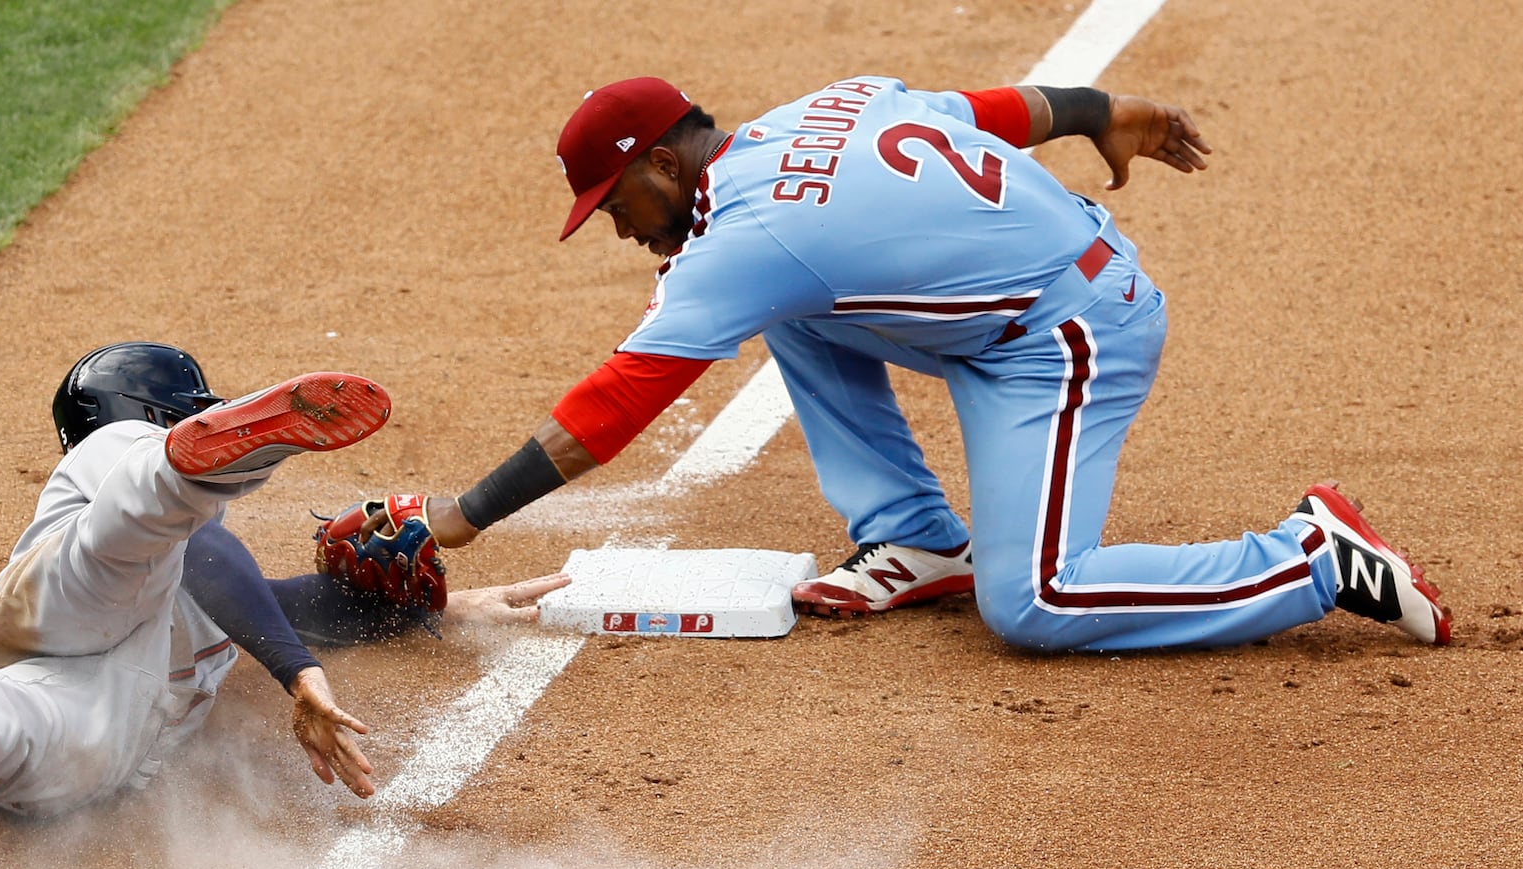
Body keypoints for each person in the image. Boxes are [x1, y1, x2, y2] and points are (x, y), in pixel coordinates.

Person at [398, 76, 1448, 651]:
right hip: (1022, 313)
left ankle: (1310, 557)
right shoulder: (813, 113)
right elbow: (985, 112)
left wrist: (457, 517)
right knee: (802, 306)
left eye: (617, 205)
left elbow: (609, 408)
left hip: (1072, 338)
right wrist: (1095, 111)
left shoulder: (746, 242)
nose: (622, 230)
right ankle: (915, 538)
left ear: (662, 165)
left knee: (1036, 602)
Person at [0, 342, 568, 816]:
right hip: (79, 593)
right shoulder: (168, 516)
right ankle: (191, 467)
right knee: (132, 528)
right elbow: (216, 565)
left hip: (92, 727)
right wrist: (297, 672)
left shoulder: (228, 597)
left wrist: (422, 609)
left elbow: (269, 604)